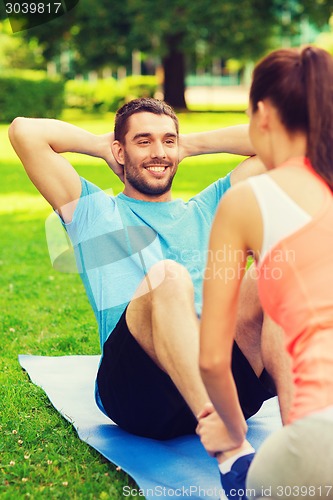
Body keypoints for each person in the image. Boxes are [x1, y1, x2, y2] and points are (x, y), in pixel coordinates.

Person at [9, 98, 281, 443]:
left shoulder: (209, 209)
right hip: (141, 396)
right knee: (167, 276)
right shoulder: (92, 213)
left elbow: (283, 143)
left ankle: (301, 434)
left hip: (223, 380)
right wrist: (101, 146)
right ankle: (220, 438)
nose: (158, 153)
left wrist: (188, 145)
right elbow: (24, 132)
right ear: (120, 151)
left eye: (168, 140)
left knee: (276, 268)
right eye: (143, 141)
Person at [197, 46, 333, 499]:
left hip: (319, 444)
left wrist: (232, 435)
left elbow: (213, 360)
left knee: (239, 465)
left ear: (262, 114)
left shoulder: (246, 202)